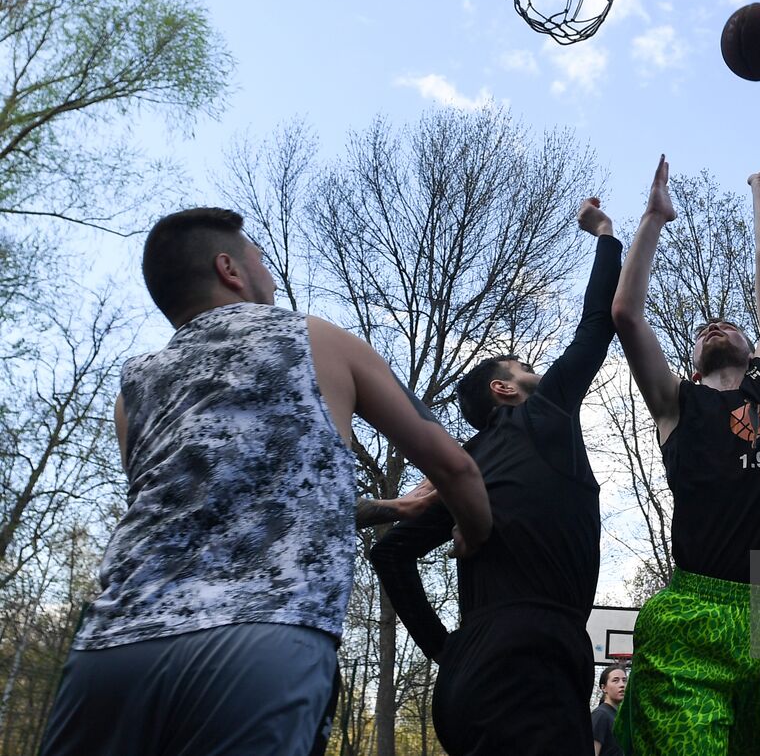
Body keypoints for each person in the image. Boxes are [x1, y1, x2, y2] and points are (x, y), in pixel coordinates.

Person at [38, 207, 492, 756]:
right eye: (261, 261)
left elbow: (211, 504)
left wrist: (392, 509)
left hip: (112, 647)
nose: (270, 276)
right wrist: (472, 530)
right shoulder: (316, 339)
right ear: (230, 269)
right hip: (262, 638)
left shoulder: (133, 390)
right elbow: (454, 466)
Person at [370, 198, 621, 756]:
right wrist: (604, 235)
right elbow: (597, 323)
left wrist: (448, 650)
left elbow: (389, 554)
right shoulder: (540, 416)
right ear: (503, 390)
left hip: (473, 675)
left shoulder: (464, 475)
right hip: (529, 660)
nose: (539, 372)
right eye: (525, 368)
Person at [610, 154, 760, 756]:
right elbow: (626, 315)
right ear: (691, 359)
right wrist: (653, 218)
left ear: (752, 344)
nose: (714, 326)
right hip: (700, 605)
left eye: (727, 324)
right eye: (703, 329)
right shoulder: (676, 404)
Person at [592, 664, 627, 756]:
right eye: (615, 680)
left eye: (624, 680)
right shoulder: (600, 715)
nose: (622, 685)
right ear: (604, 688)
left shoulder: (619, 716)